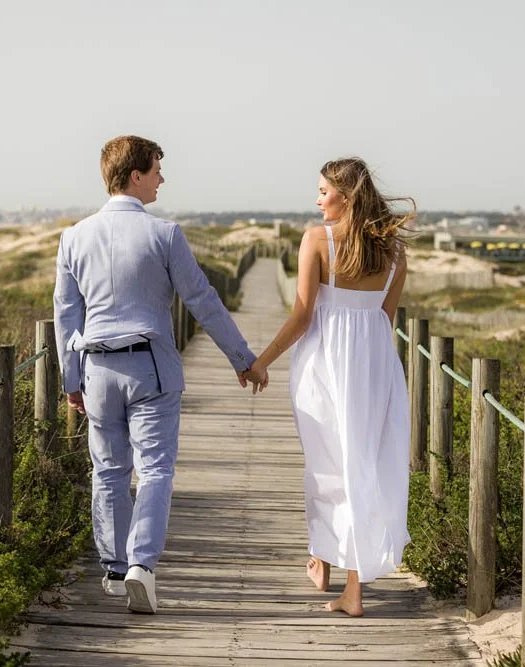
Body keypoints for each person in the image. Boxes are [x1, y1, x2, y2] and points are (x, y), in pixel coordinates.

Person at [54, 135, 267, 614]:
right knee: (154, 469)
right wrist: (242, 359)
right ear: (135, 175)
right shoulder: (164, 234)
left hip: (98, 369)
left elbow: (66, 315)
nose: (162, 180)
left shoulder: (74, 237)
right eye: (156, 171)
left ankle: (114, 566)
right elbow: (203, 301)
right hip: (151, 367)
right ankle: (141, 566)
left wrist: (70, 380)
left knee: (108, 471)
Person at [248, 157, 412, 616]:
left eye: (324, 191)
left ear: (346, 195)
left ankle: (345, 584)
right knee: (362, 465)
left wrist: (260, 362)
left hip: (325, 365)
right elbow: (385, 319)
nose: (318, 199)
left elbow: (302, 316)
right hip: (375, 365)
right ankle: (329, 563)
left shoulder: (318, 240)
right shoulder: (395, 250)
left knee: (328, 465)